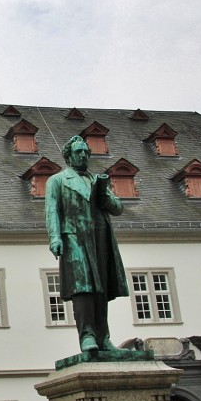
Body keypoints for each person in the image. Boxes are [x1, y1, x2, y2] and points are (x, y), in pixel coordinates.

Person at [45, 135, 129, 352]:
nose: (83, 155)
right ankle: (87, 336)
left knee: (100, 288)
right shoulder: (57, 180)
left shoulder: (95, 180)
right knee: (82, 286)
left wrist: (104, 196)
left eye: (85, 152)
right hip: (74, 236)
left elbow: (118, 208)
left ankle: (104, 338)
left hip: (99, 237)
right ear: (68, 156)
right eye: (78, 152)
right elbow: (52, 210)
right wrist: (55, 237)